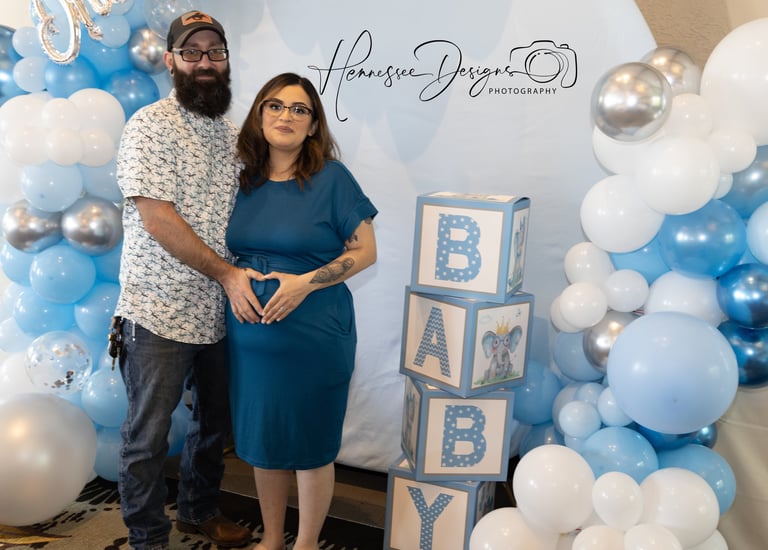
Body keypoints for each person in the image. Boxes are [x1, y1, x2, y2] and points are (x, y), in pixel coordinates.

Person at [114, 10, 260, 550]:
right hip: (158, 311)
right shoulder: (150, 126)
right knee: (147, 438)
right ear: (171, 60)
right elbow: (160, 221)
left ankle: (197, 513)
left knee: (214, 429)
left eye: (214, 52)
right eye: (192, 52)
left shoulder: (231, 134)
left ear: (225, 61)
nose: (205, 62)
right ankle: (147, 537)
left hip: (221, 312)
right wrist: (227, 274)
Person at [227, 73, 378, 550]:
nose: (285, 116)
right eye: (274, 106)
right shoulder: (243, 181)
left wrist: (305, 284)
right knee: (263, 445)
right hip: (251, 344)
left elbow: (365, 252)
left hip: (315, 338)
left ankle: (307, 544)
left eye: (298, 109)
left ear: (313, 125)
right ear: (259, 115)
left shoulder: (331, 178)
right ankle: (273, 540)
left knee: (311, 447)